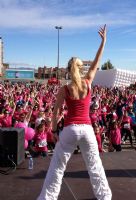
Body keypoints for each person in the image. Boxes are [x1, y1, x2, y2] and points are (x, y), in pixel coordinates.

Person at [37, 25, 112, 200]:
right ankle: (104, 197)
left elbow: (55, 112)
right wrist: (104, 42)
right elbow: (96, 62)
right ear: (80, 68)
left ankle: (47, 198)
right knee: (95, 166)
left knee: (57, 168)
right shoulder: (87, 83)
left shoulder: (65, 88)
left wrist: (54, 131)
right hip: (87, 129)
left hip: (70, 130)